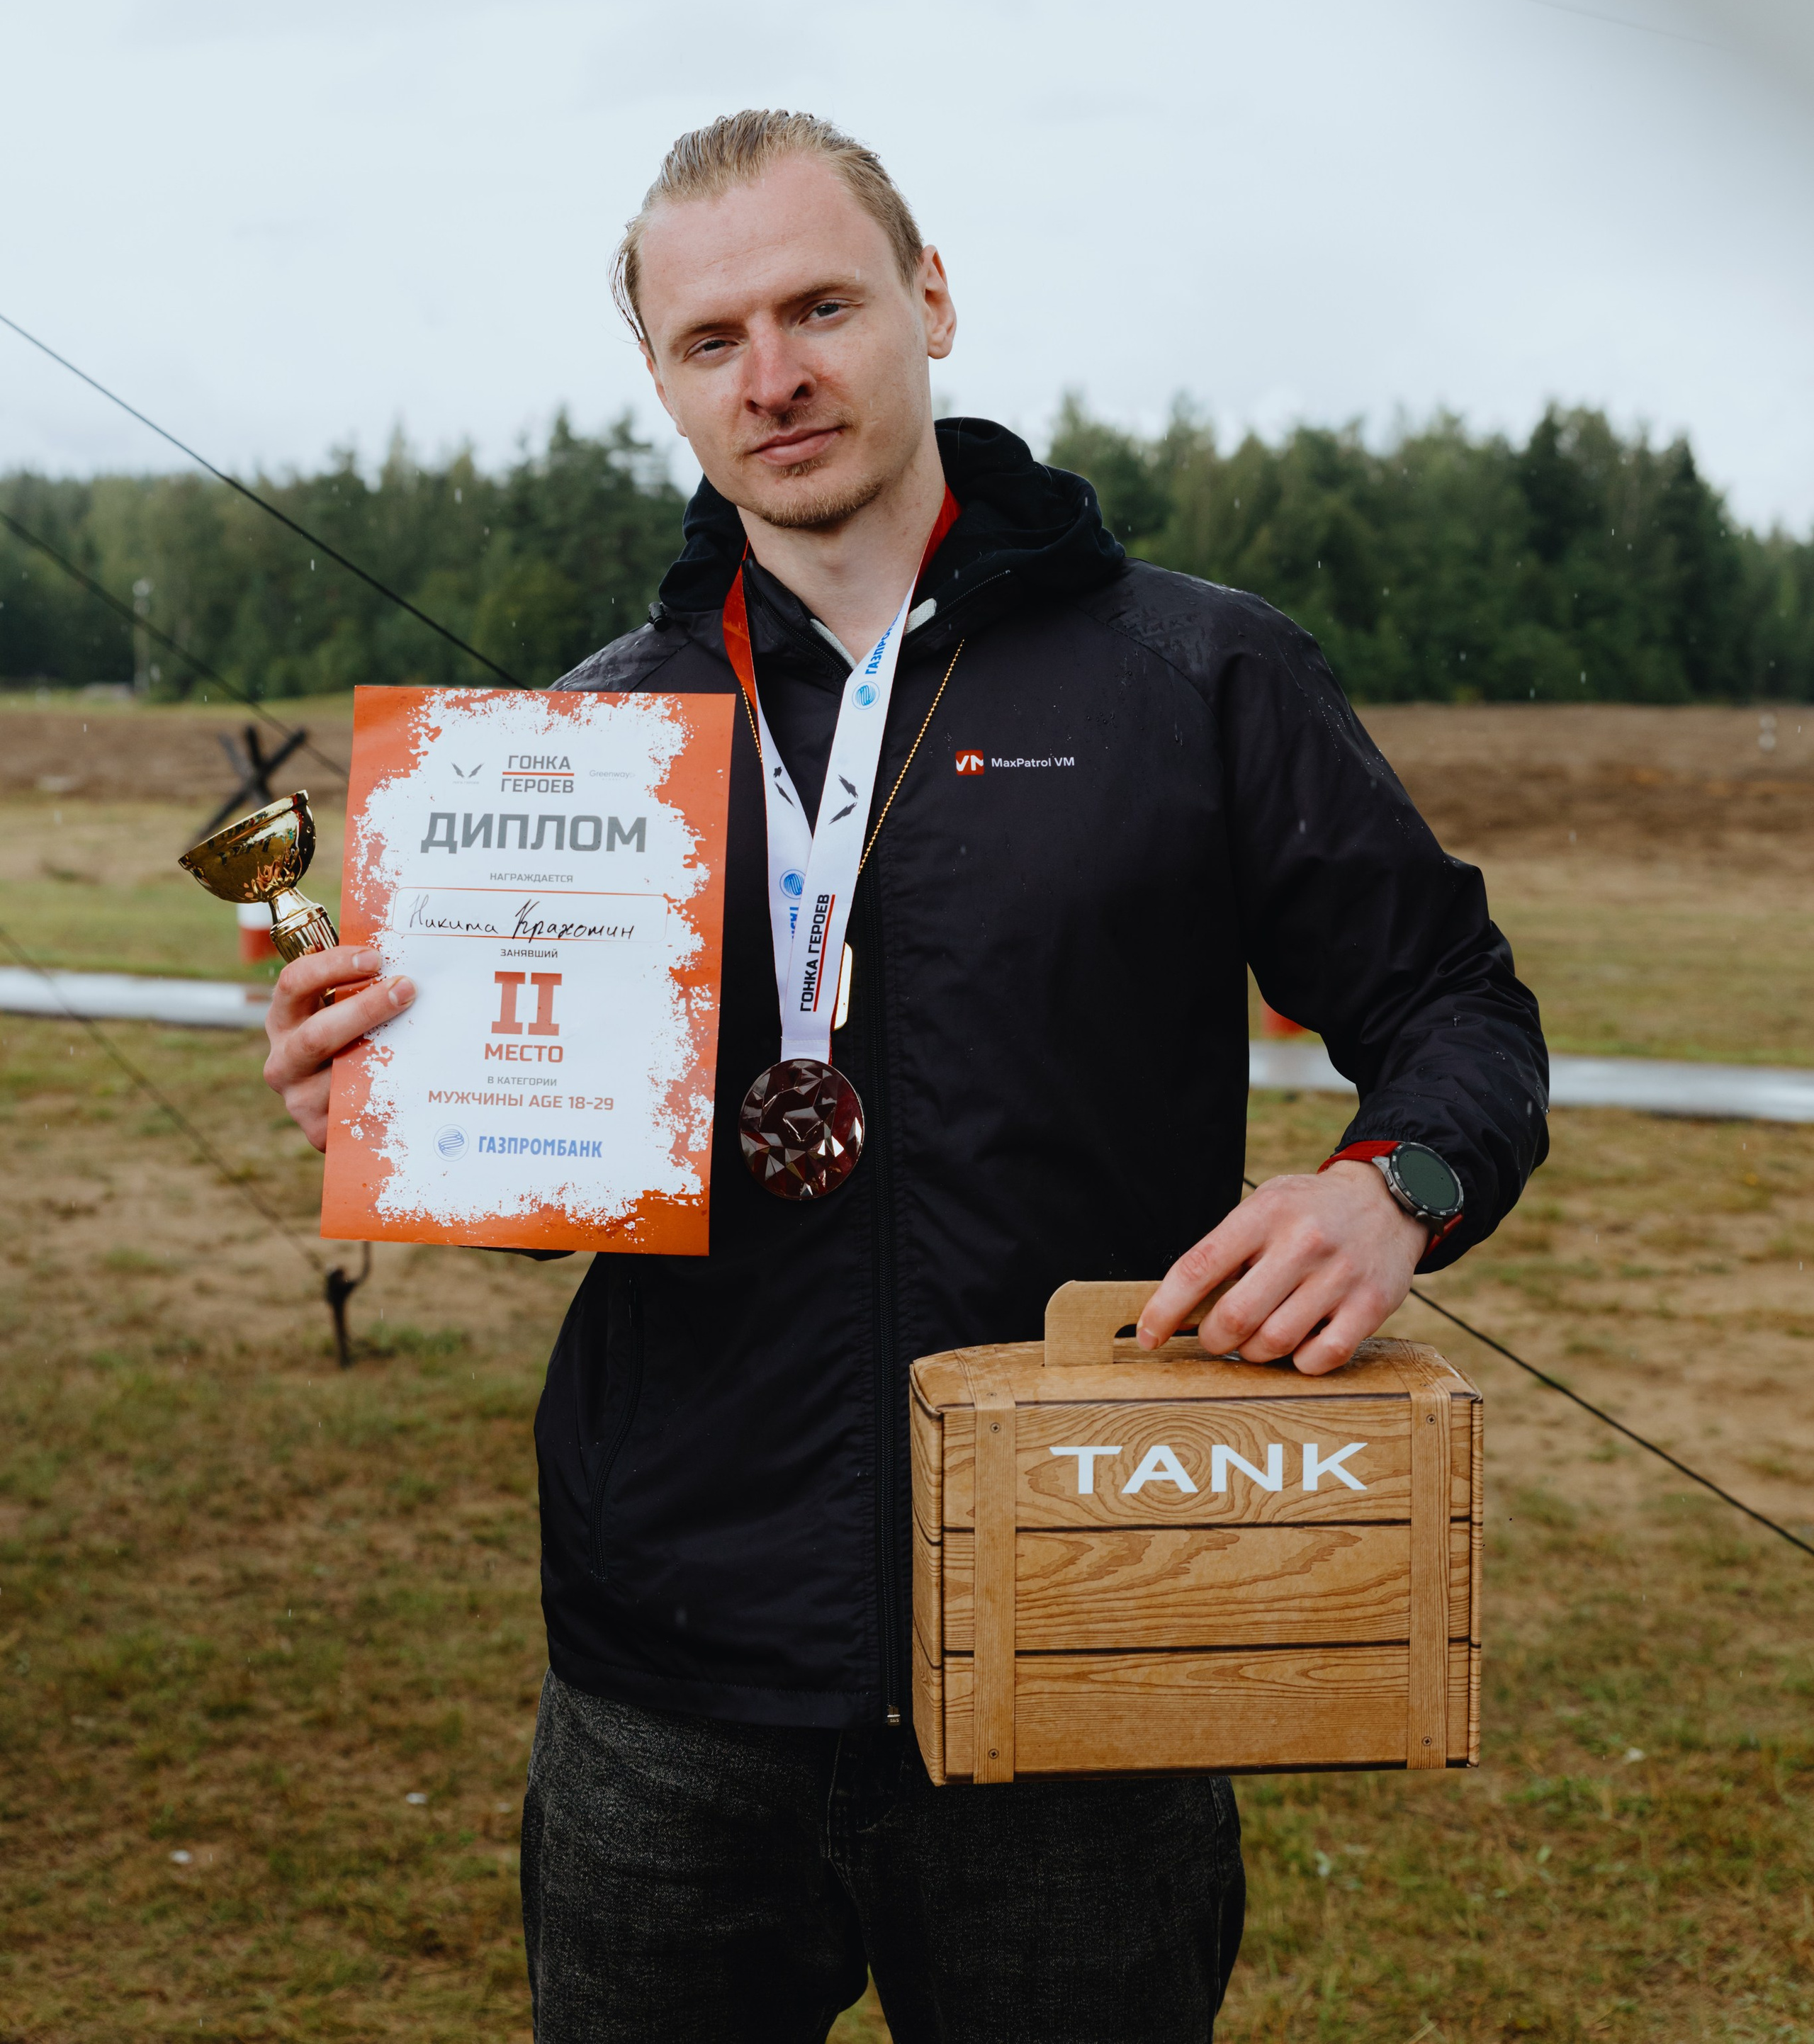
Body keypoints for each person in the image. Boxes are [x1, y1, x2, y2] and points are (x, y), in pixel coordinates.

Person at [263, 109, 1548, 2043]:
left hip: (1081, 1630)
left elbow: (1458, 1002)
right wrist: (400, 1113)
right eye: (710, 340)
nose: (771, 376)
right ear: (660, 379)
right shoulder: (585, 738)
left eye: (821, 307)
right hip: (669, 1683)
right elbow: (550, 1204)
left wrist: (1396, 1187)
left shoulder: (1198, 676)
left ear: (930, 300)